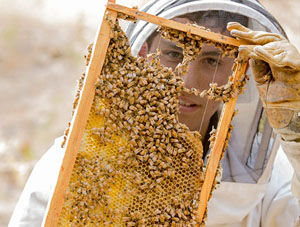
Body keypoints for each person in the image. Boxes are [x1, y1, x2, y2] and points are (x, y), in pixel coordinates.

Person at [9, 0, 300, 226]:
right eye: (173, 54)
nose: (187, 83)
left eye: (212, 61)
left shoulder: (270, 184)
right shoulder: (71, 164)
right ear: (144, 53)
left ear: (238, 71)